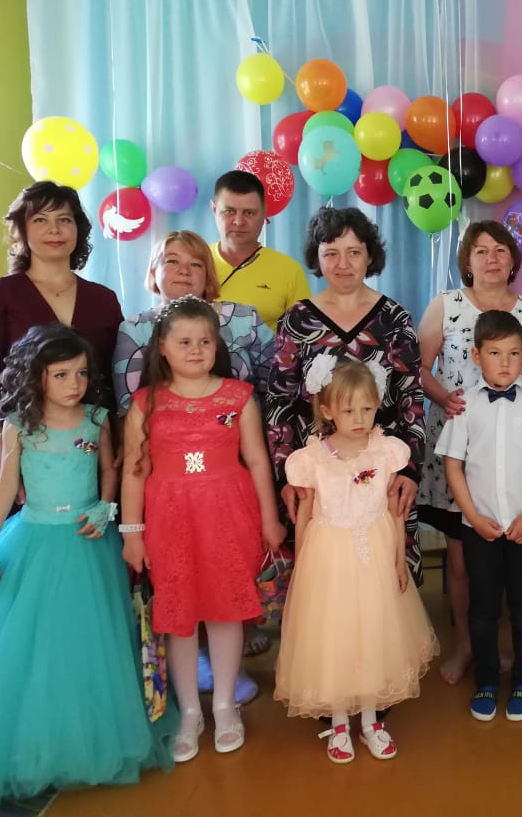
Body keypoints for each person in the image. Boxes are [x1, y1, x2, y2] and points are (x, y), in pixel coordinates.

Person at [0, 325, 171, 810]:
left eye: (81, 373)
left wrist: (105, 506)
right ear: (36, 377)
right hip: (32, 539)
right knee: (25, 638)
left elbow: (110, 468)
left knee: (85, 637)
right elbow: (5, 484)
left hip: (86, 541)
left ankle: (83, 730)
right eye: (61, 375)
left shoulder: (97, 418)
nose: (74, 384)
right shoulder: (19, 425)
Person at [113, 230, 278, 702]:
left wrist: (269, 519)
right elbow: (134, 470)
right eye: (183, 341)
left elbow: (257, 459)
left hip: (228, 513)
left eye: (204, 341)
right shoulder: (145, 403)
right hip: (169, 518)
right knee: (178, 611)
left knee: (226, 607)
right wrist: (132, 533)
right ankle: (189, 711)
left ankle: (225, 705)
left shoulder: (238, 397)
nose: (195, 349)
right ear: (161, 347)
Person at [275, 358, 438, 763]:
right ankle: (338, 722)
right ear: (327, 410)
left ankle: (370, 721)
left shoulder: (386, 452)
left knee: (373, 634)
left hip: (375, 554)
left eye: (367, 408)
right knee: (336, 636)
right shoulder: (311, 459)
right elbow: (305, 515)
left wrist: (399, 560)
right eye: (349, 410)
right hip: (328, 558)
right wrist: (302, 568)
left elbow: (395, 512)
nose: (360, 418)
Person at [417, 220, 522, 685]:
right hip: (458, 445)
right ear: (467, 262)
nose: (491, 258)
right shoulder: (446, 304)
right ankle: (467, 645)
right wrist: (444, 398)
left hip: (513, 451)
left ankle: (500, 645)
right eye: (481, 250)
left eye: (500, 250)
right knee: (461, 557)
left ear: (513, 260)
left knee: (508, 553)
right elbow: (420, 368)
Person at [265, 206, 426, 583]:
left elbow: (412, 398)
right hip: (319, 476)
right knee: (327, 580)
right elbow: (278, 402)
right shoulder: (297, 319)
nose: (342, 264)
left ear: (370, 256)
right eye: (331, 253)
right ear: (317, 258)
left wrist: (410, 470)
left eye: (354, 252)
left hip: (381, 471)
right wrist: (286, 474)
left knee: (382, 575)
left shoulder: (395, 319)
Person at [436, 311, 522, 722]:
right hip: (480, 528)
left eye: (513, 353)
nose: (505, 363)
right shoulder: (464, 406)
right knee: (482, 610)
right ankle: (487, 680)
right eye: (494, 353)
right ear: (476, 355)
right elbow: (453, 465)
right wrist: (472, 516)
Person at [0, 181, 123, 495]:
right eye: (40, 219)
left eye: (64, 219)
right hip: (24, 452)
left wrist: (120, 442)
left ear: (78, 229)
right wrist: (2, 459)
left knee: (92, 524)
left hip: (91, 448)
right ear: (21, 230)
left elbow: (116, 377)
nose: (54, 229)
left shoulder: (103, 299)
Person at [113, 229, 276, 415]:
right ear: (153, 270)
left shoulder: (246, 318)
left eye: (196, 264)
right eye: (172, 261)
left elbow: (277, 388)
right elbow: (127, 408)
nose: (184, 271)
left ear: (208, 275)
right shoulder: (134, 329)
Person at [209, 170, 311, 329]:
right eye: (229, 211)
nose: (239, 221)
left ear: (264, 213)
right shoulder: (194, 263)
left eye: (249, 213)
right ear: (214, 209)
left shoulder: (289, 271)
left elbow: (303, 336)